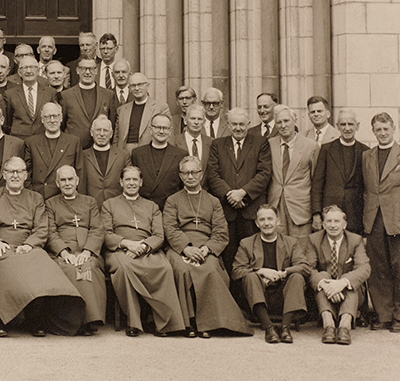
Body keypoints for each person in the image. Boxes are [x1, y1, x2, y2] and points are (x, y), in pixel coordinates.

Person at [0, 157, 85, 337]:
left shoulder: (35, 198)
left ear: (25, 175)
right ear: (4, 174)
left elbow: (41, 228)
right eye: (11, 171)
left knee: (42, 260)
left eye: (19, 171)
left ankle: (34, 317)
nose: (15, 175)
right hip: (2, 244)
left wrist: (29, 244)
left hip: (28, 245)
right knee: (3, 262)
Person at [162, 157, 252, 338]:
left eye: (194, 172)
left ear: (201, 174)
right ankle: (187, 322)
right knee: (182, 269)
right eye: (186, 173)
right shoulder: (172, 200)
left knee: (210, 269)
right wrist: (186, 248)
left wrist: (206, 249)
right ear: (180, 176)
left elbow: (220, 231)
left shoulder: (213, 201)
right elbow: (170, 228)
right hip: (180, 247)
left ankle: (210, 323)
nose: (190, 176)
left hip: (206, 245)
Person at [101, 166, 185, 337]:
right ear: (121, 182)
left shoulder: (152, 206)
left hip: (147, 249)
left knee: (165, 268)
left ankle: (163, 322)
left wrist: (143, 247)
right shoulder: (109, 204)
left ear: (141, 182)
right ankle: (133, 321)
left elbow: (159, 235)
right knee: (125, 269)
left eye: (135, 179)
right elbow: (106, 234)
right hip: (120, 249)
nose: (131, 183)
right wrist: (127, 244)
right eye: (128, 179)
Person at [362, 112, 400, 332]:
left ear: (393, 129)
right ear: (373, 131)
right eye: (378, 130)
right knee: (378, 269)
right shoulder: (367, 156)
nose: (382, 133)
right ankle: (384, 314)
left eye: (385, 129)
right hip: (374, 220)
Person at [206, 107, 272, 274]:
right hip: (227, 212)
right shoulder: (217, 145)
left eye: (242, 124)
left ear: (248, 124)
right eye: (234, 124)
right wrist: (230, 195)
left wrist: (243, 193)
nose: (238, 128)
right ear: (228, 125)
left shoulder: (261, 143)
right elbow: (212, 175)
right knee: (229, 257)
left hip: (251, 210)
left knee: (253, 257)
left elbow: (264, 174)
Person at [232, 204, 310, 343]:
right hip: (258, 295)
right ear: (257, 223)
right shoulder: (247, 243)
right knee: (250, 276)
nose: (266, 223)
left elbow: (304, 267)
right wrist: (260, 271)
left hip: (283, 295)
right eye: (262, 220)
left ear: (277, 221)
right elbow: (236, 271)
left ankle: (285, 327)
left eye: (270, 219)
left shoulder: (291, 242)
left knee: (297, 277)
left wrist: (283, 273)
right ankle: (269, 328)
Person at [45, 165, 106, 335]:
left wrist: (87, 251)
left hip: (87, 249)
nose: (67, 183)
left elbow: (97, 229)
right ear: (57, 183)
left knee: (89, 266)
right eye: (63, 180)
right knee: (70, 269)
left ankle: (91, 319)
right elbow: (50, 232)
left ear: (77, 180)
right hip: (63, 250)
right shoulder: (50, 204)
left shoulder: (90, 202)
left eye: (70, 179)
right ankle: (74, 322)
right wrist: (64, 252)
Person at [305, 205, 371, 345]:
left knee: (350, 281)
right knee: (322, 276)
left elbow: (364, 268)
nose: (333, 225)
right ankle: (328, 326)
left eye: (337, 221)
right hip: (324, 294)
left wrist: (341, 283)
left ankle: (344, 327)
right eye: (329, 221)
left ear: (344, 225)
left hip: (350, 295)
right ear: (323, 224)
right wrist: (326, 285)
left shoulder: (355, 240)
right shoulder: (314, 240)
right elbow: (308, 268)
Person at [311, 109, 368, 235]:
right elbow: (317, 183)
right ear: (337, 126)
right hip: (330, 213)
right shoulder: (327, 149)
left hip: (355, 213)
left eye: (350, 124)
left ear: (357, 126)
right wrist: (316, 213)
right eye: (343, 124)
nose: (347, 128)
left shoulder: (365, 151)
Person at [268, 105, 319, 236]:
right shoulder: (270, 144)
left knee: (300, 247)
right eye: (279, 122)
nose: (283, 125)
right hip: (276, 206)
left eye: (286, 121)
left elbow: (316, 181)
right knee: (279, 246)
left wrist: (316, 213)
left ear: (295, 120)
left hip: (300, 209)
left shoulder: (310, 146)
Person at [23, 102, 81, 200]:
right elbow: (26, 175)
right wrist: (32, 197)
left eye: (55, 116)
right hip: (39, 197)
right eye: (48, 117)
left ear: (61, 118)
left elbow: (80, 173)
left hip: (64, 198)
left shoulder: (73, 142)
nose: (52, 120)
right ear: (42, 119)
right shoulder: (31, 143)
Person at [129, 113, 187, 211]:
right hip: (143, 209)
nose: (161, 131)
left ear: (170, 131)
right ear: (150, 129)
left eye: (165, 128)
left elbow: (182, 186)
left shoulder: (181, 154)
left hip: (170, 209)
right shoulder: (137, 153)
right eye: (158, 127)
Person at [60, 57, 118, 149]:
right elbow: (61, 124)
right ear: (77, 70)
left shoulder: (108, 95)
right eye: (83, 68)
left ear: (96, 71)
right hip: (74, 148)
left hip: (100, 148)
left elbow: (112, 123)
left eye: (91, 69)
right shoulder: (66, 95)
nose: (87, 72)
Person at [76, 115, 129, 205]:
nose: (101, 134)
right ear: (91, 132)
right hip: (90, 207)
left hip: (117, 207)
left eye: (105, 130)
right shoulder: (82, 156)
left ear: (111, 134)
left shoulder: (123, 155)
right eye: (98, 130)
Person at [3, 56, 57, 138]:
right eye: (25, 68)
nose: (28, 71)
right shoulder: (10, 94)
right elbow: (7, 123)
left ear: (38, 71)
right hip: (19, 139)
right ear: (19, 72)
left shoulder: (50, 93)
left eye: (32, 67)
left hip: (43, 139)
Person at [114, 73, 171, 149]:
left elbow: (169, 134)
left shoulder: (161, 107)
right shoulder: (122, 110)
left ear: (147, 86)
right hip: (125, 151)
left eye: (140, 84)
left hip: (149, 151)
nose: (137, 88)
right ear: (129, 89)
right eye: (133, 85)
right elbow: (116, 137)